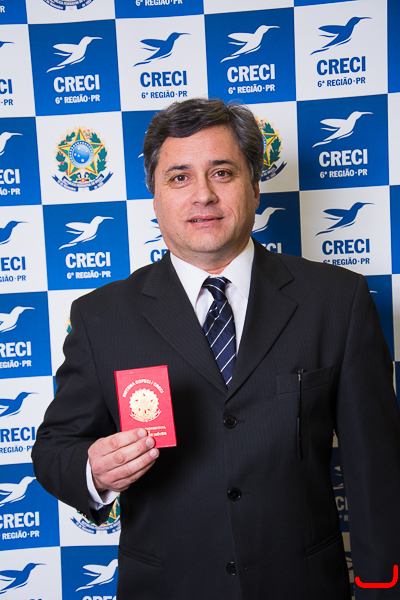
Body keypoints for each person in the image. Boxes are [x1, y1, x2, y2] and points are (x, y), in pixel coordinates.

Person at [32, 98, 400, 600]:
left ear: (254, 186)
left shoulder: (337, 299)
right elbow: (54, 449)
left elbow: (376, 466)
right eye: (179, 177)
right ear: (155, 196)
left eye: (222, 173)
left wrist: (381, 588)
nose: (202, 194)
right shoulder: (101, 316)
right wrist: (92, 472)